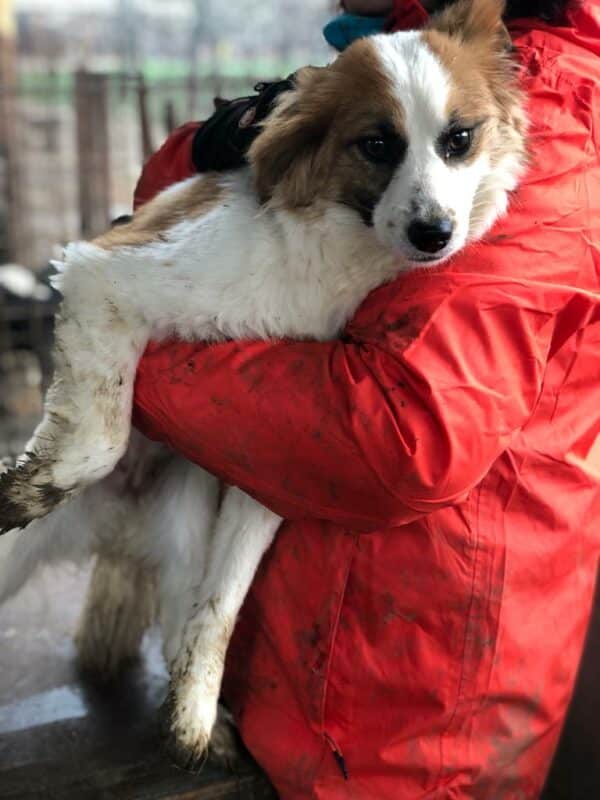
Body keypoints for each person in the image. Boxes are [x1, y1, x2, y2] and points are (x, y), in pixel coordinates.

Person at [132, 1, 600, 797]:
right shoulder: (405, 56)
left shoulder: (529, 103)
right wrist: (215, 142)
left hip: (409, 701)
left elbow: (397, 439)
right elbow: (177, 215)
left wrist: (131, 359)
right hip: (316, 653)